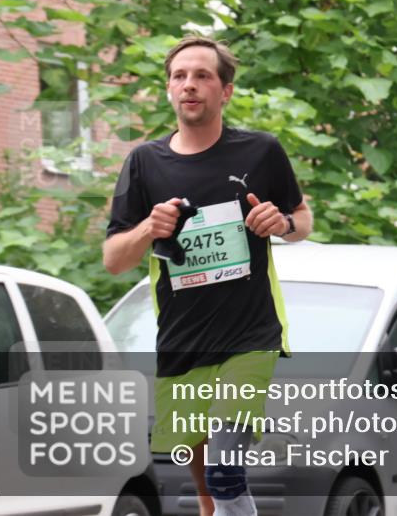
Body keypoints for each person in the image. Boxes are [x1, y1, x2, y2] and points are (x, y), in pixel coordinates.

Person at [103, 36, 312, 516]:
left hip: (250, 336)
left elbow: (302, 219)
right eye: (180, 76)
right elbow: (114, 259)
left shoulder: (260, 151)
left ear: (226, 91)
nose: (189, 85)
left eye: (202, 76)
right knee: (208, 499)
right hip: (182, 343)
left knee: (224, 471)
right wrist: (147, 230)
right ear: (168, 89)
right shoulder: (144, 162)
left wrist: (280, 224)